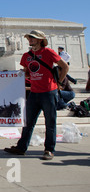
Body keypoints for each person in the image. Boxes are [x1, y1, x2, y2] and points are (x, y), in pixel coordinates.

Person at [4, 30, 69, 160]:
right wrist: (19, 74)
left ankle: (49, 150)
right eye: (29, 38)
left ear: (40, 40)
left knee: (50, 122)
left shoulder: (48, 52)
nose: (30, 40)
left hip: (49, 92)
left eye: (33, 38)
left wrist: (59, 83)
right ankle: (21, 148)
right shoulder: (26, 56)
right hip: (34, 92)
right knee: (28, 122)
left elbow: (65, 67)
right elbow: (28, 73)